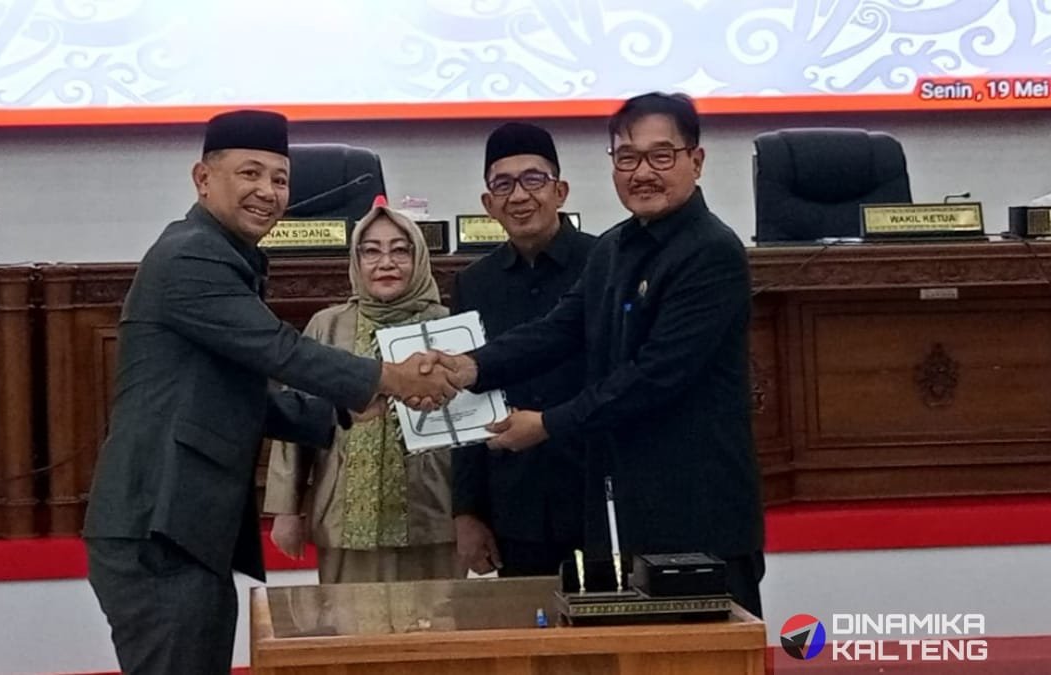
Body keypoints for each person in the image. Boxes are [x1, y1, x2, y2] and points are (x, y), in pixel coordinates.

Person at [83, 109, 461, 675]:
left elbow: (235, 394)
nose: (268, 192)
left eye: (280, 179)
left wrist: (343, 411)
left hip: (182, 526)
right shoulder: (192, 254)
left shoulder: (223, 253)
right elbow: (280, 350)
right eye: (250, 173)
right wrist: (389, 379)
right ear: (203, 178)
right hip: (157, 520)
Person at [438, 93, 766, 616]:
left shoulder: (711, 251)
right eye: (627, 157)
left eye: (661, 156)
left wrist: (547, 424)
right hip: (626, 515)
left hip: (699, 513)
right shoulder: (615, 247)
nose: (643, 172)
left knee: (706, 649)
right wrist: (469, 366)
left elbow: (654, 377)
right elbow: (559, 329)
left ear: (696, 160)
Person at [265, 205, 462, 583]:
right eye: (371, 251)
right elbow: (295, 422)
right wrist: (286, 510)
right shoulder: (328, 326)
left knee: (435, 619)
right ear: (356, 261)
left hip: (434, 513)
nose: (386, 263)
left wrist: (475, 513)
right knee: (349, 619)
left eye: (400, 250)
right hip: (343, 514)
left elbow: (474, 430)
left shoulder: (447, 325)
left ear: (419, 258)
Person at [451, 122, 595, 577]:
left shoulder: (606, 264)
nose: (519, 196)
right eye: (503, 184)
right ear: (488, 203)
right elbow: (465, 397)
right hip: (515, 502)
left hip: (597, 492)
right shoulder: (474, 283)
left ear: (560, 191)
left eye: (533, 180)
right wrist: (467, 511)